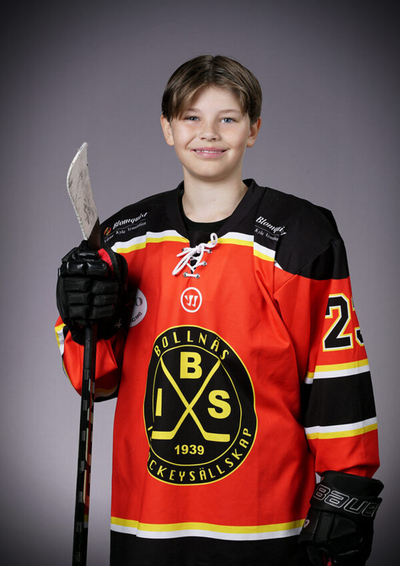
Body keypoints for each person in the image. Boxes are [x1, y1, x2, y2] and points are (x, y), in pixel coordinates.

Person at [56, 55, 383, 566]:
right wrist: (82, 325)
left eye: (227, 118)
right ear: (167, 128)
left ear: (253, 129)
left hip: (264, 520)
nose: (208, 132)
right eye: (191, 117)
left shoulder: (299, 235)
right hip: (148, 518)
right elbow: (96, 382)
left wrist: (347, 487)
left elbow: (334, 369)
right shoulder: (123, 238)